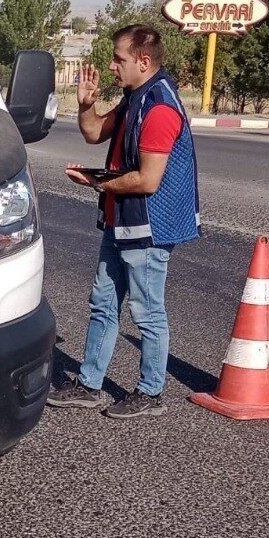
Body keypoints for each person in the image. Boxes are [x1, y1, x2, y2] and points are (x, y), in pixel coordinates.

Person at [48, 24, 200, 419]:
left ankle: (150, 393)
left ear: (144, 61)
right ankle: (90, 384)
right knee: (103, 304)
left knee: (147, 312)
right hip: (121, 221)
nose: (112, 66)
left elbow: (148, 180)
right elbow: (95, 132)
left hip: (149, 228)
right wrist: (84, 106)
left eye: (119, 59)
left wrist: (98, 182)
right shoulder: (135, 97)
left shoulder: (160, 107)